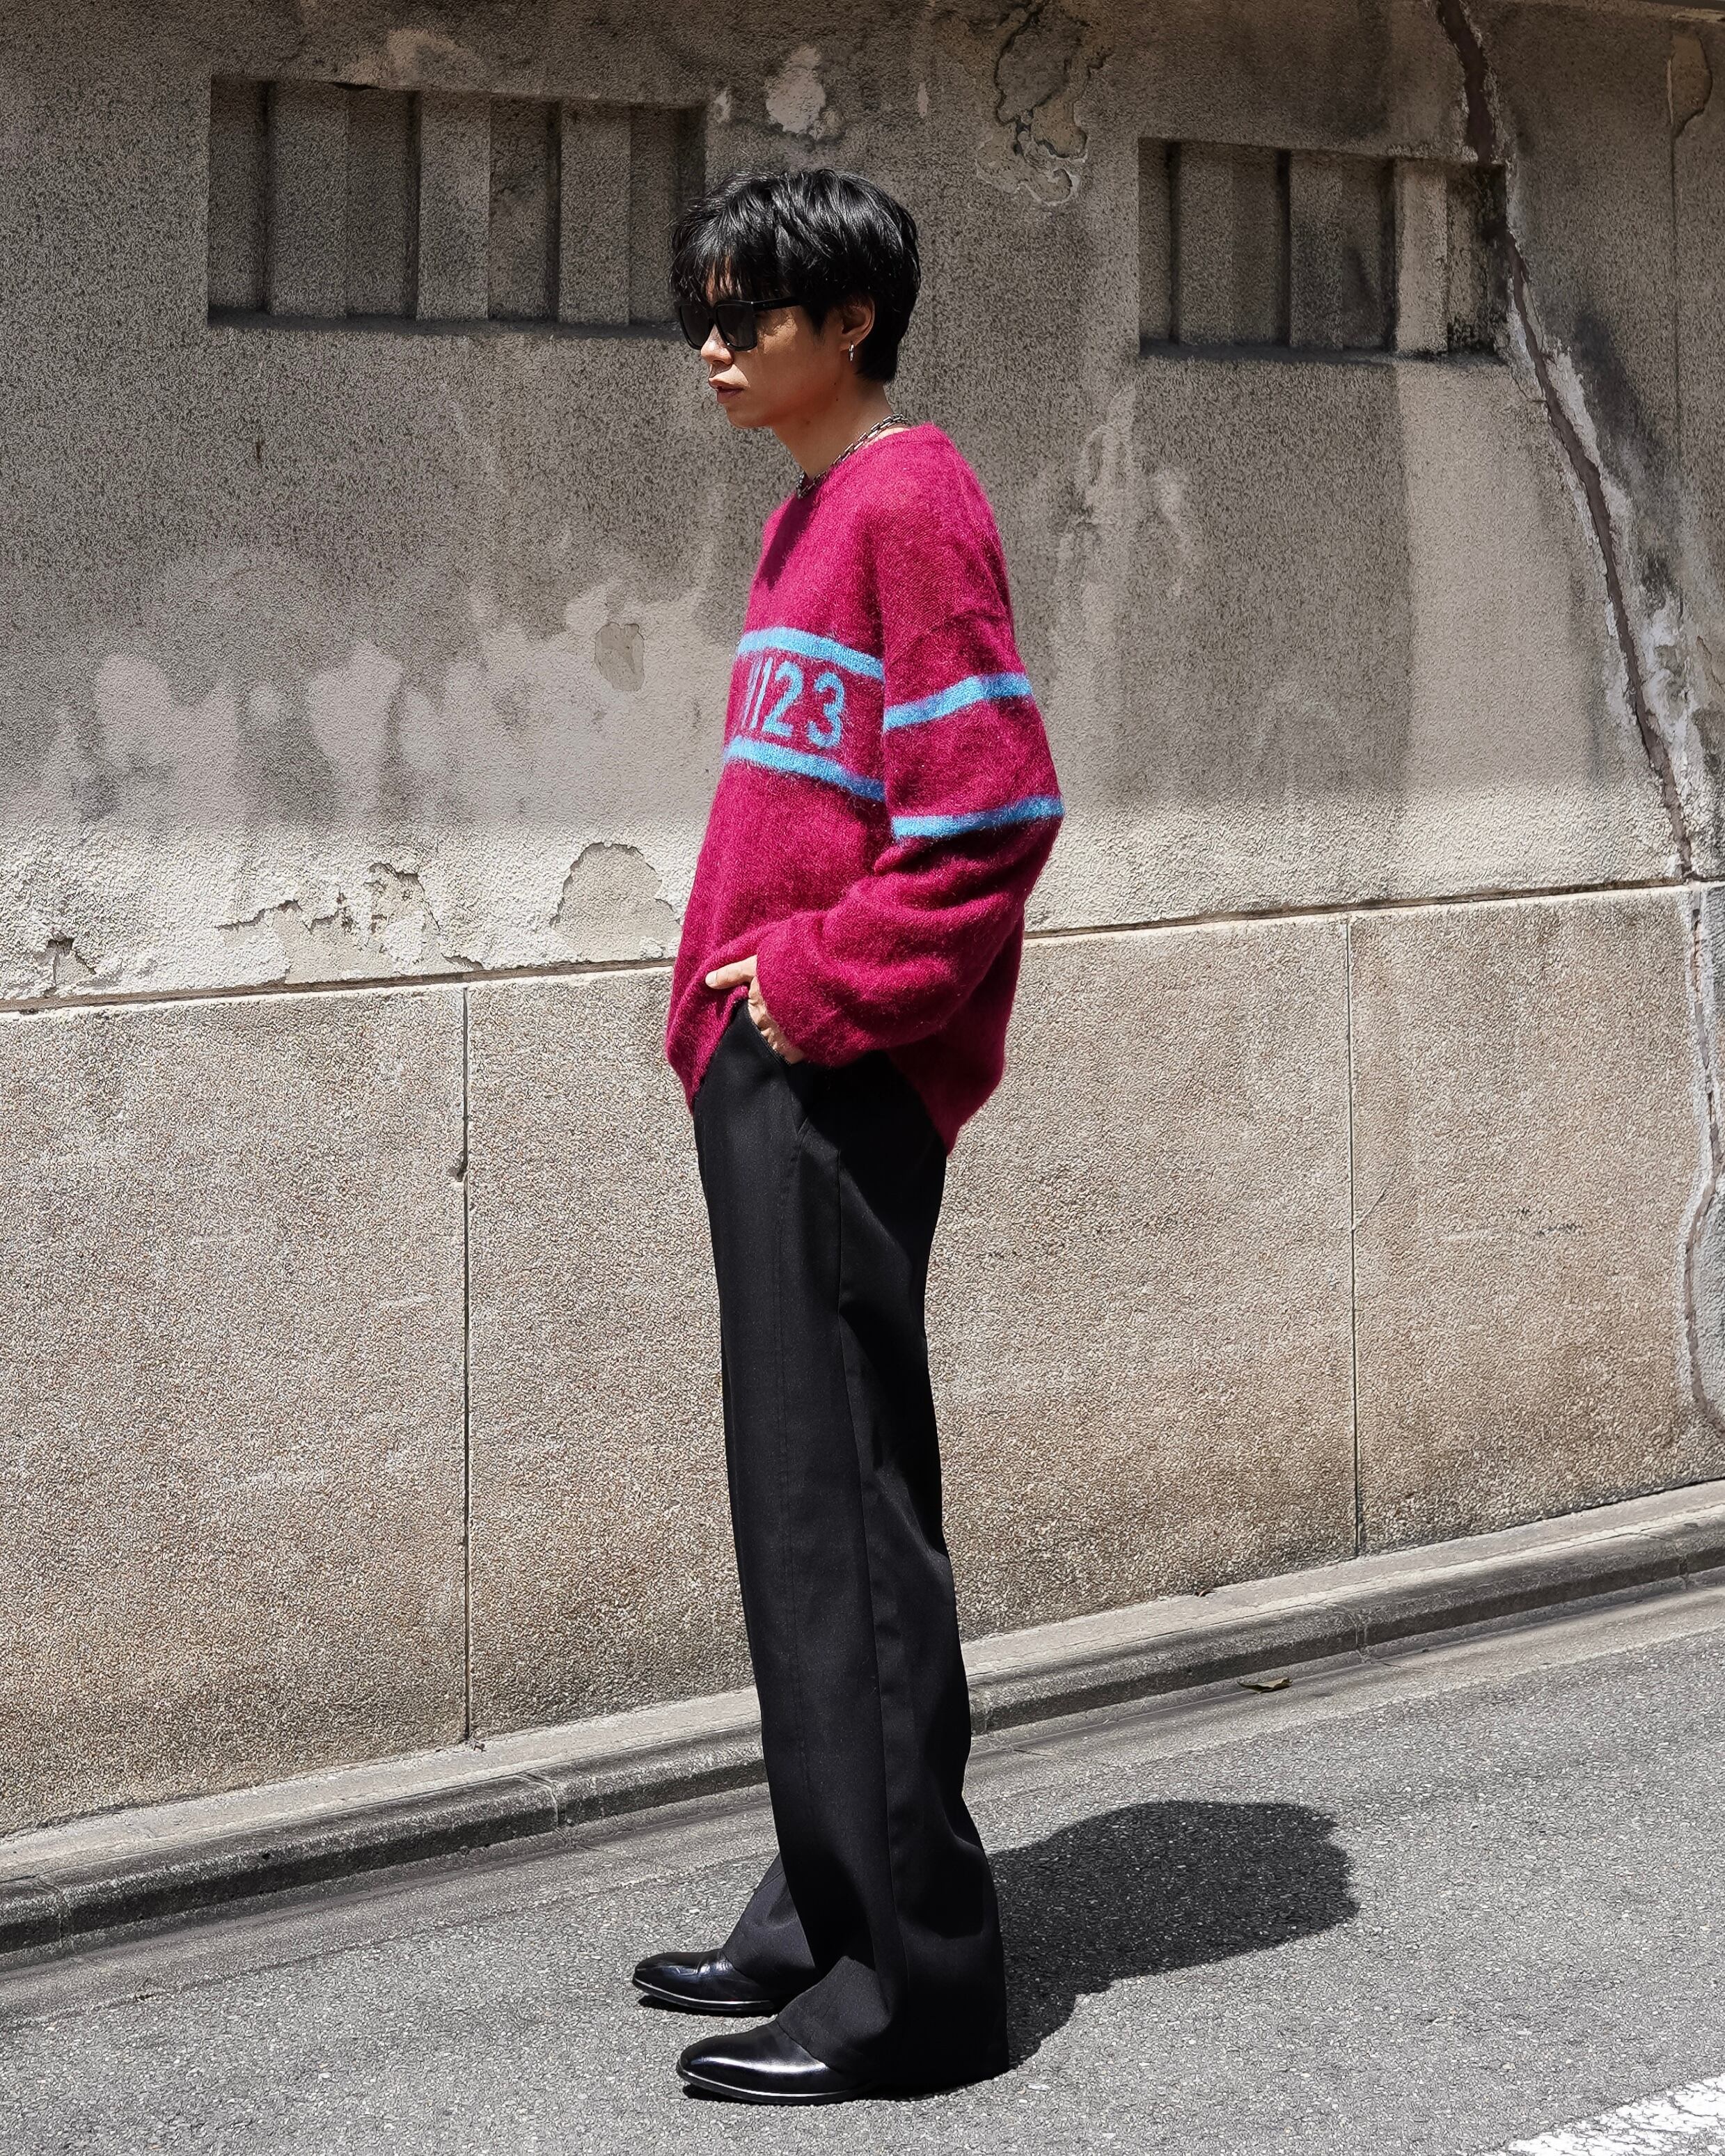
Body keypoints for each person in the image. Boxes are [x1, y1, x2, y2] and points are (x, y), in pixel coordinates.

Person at [644, 166, 1064, 2106]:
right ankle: (829, 1904)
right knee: (797, 1509)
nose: (715, 348)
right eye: (704, 314)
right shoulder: (805, 515)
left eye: (752, 315)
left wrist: (807, 993)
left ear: (856, 322)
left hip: (836, 1063)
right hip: (775, 1063)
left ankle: (914, 1989)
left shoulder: (912, 499)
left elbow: (991, 815)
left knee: (848, 1520)